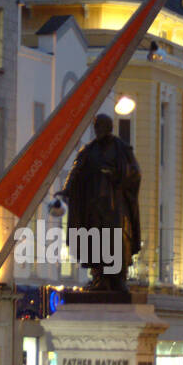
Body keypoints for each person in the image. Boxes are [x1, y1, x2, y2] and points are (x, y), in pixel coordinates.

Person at [54, 113, 142, 292]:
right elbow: (75, 171)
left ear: (108, 128)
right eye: (97, 127)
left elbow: (135, 172)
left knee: (116, 239)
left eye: (101, 127)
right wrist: (66, 190)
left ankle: (117, 278)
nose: (98, 131)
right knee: (95, 239)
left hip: (115, 204)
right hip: (94, 205)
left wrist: (117, 175)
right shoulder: (89, 150)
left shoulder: (122, 149)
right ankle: (99, 277)